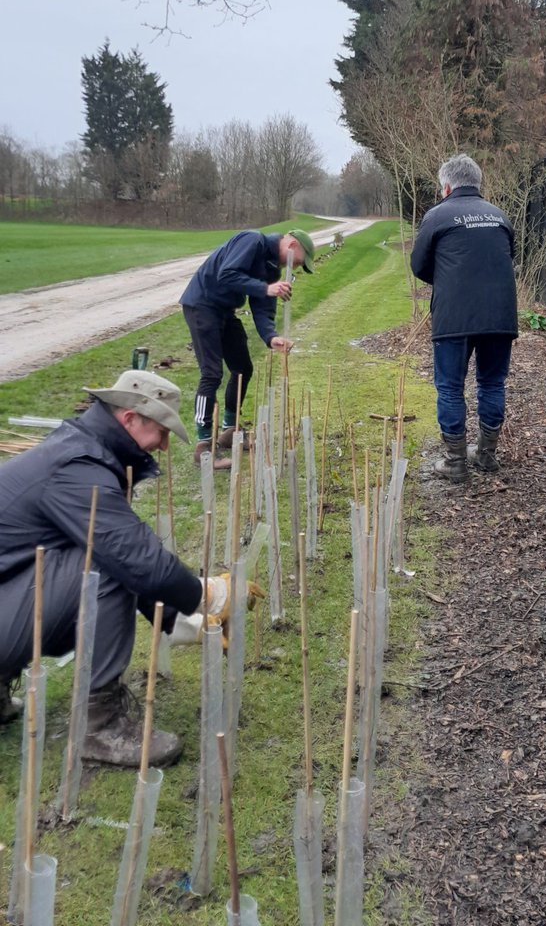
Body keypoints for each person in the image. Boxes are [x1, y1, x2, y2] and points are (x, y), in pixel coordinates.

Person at [0, 370, 263, 765]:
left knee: (112, 553)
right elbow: (135, 561)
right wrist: (211, 596)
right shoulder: (78, 467)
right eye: (161, 432)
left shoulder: (78, 450)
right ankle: (99, 728)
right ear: (129, 419)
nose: (162, 446)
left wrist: (182, 620)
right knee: (107, 564)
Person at [410, 154, 517, 483]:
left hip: (454, 316)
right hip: (500, 314)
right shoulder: (500, 216)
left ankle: (455, 461)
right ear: (477, 183)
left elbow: (419, 265)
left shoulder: (437, 215)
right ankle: (486, 456)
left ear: (446, 186)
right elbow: (507, 255)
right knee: (491, 383)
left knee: (450, 387)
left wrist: (448, 279)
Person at [180, 227, 315, 468]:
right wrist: (265, 288)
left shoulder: (272, 269)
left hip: (224, 311)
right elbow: (227, 274)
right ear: (293, 246)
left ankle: (230, 429)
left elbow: (263, 308)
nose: (293, 269)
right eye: (298, 264)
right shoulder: (252, 240)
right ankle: (203, 447)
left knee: (242, 368)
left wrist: (271, 336)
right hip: (202, 305)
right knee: (211, 373)